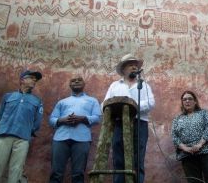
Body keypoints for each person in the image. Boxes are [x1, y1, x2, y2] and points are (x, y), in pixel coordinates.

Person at [103, 54, 155, 183]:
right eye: (130, 65)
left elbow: (150, 103)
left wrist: (131, 106)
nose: (134, 67)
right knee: (118, 158)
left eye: (135, 65)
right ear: (124, 69)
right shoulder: (115, 85)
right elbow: (104, 104)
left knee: (138, 159)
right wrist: (122, 108)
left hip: (140, 124)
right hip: (119, 124)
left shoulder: (144, 85)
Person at [0, 70, 44, 183]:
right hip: (3, 135)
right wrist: (1, 130)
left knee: (16, 171)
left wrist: (27, 131)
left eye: (36, 79)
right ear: (22, 80)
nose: (34, 80)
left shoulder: (37, 101)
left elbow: (37, 122)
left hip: (23, 139)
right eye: (32, 77)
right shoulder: (8, 96)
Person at [49, 76, 102, 183]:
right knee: (56, 172)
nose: (76, 81)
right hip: (60, 138)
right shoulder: (62, 102)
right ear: (70, 85)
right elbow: (52, 120)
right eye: (73, 80)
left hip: (82, 139)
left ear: (84, 84)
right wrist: (63, 120)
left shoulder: (92, 101)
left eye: (79, 80)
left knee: (78, 173)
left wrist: (82, 118)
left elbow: (97, 118)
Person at [171, 90, 208, 183]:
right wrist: (185, 148)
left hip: (206, 150)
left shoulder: (204, 113)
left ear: (195, 101)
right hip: (187, 154)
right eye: (184, 99)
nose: (187, 101)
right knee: (194, 181)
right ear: (182, 102)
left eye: (190, 99)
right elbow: (174, 136)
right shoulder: (178, 118)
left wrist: (199, 145)